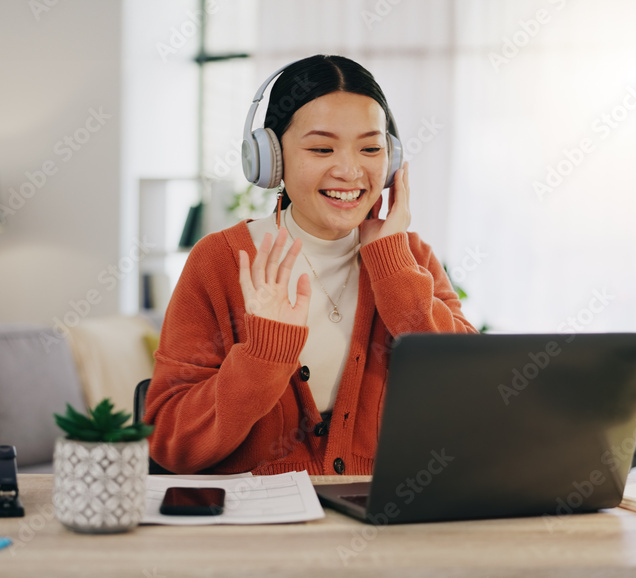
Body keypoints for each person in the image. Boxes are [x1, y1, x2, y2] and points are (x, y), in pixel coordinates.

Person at [143, 55, 476, 475]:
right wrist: (263, 354)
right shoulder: (221, 262)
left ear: (390, 160)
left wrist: (392, 268)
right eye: (321, 148)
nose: (350, 170)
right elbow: (173, 444)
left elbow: (471, 394)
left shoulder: (409, 259)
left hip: (382, 518)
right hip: (260, 524)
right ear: (271, 159)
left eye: (371, 148)